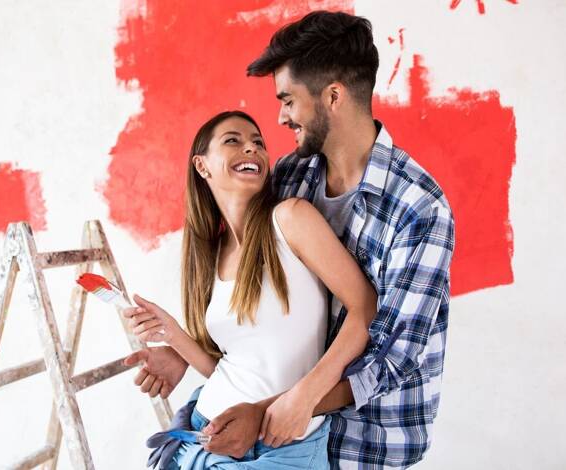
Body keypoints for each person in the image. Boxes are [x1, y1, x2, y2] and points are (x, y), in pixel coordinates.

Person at [126, 10, 455, 469]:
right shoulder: (291, 175)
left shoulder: (419, 208)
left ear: (333, 96)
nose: (280, 118)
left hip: (364, 439)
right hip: (266, 427)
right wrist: (187, 353)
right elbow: (263, 318)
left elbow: (393, 357)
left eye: (288, 100)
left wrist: (287, 405)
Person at [124, 110, 378, 469]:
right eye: (234, 140)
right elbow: (238, 368)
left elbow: (365, 308)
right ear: (202, 166)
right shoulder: (213, 256)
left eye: (258, 143)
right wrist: (174, 337)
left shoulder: (291, 219)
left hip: (284, 447)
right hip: (202, 431)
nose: (252, 149)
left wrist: (305, 397)